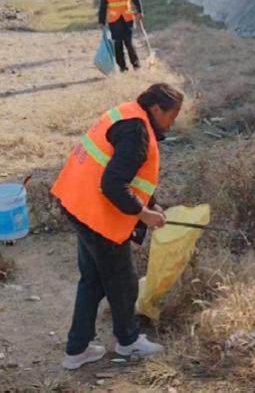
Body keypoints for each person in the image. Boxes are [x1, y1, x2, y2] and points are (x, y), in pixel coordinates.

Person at [51, 83, 184, 370]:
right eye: (170, 117)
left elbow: (129, 172)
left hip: (77, 202)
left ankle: (77, 350)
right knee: (123, 281)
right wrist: (144, 214)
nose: (171, 125)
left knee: (93, 279)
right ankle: (129, 342)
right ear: (156, 109)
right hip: (97, 215)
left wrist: (152, 203)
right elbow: (113, 184)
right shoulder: (137, 132)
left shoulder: (127, 114)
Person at [98, 0, 143, 72]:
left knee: (129, 43)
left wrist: (140, 11)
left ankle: (136, 65)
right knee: (118, 45)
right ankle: (123, 68)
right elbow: (103, 6)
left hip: (128, 20)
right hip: (115, 21)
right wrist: (101, 21)